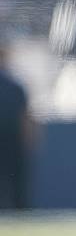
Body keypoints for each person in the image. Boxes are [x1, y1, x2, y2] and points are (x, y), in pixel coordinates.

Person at [0, 44, 33, 210]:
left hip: (11, 141)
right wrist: (29, 142)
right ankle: (21, 217)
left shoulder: (16, 86)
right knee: (16, 185)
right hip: (13, 142)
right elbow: (26, 119)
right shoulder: (15, 85)